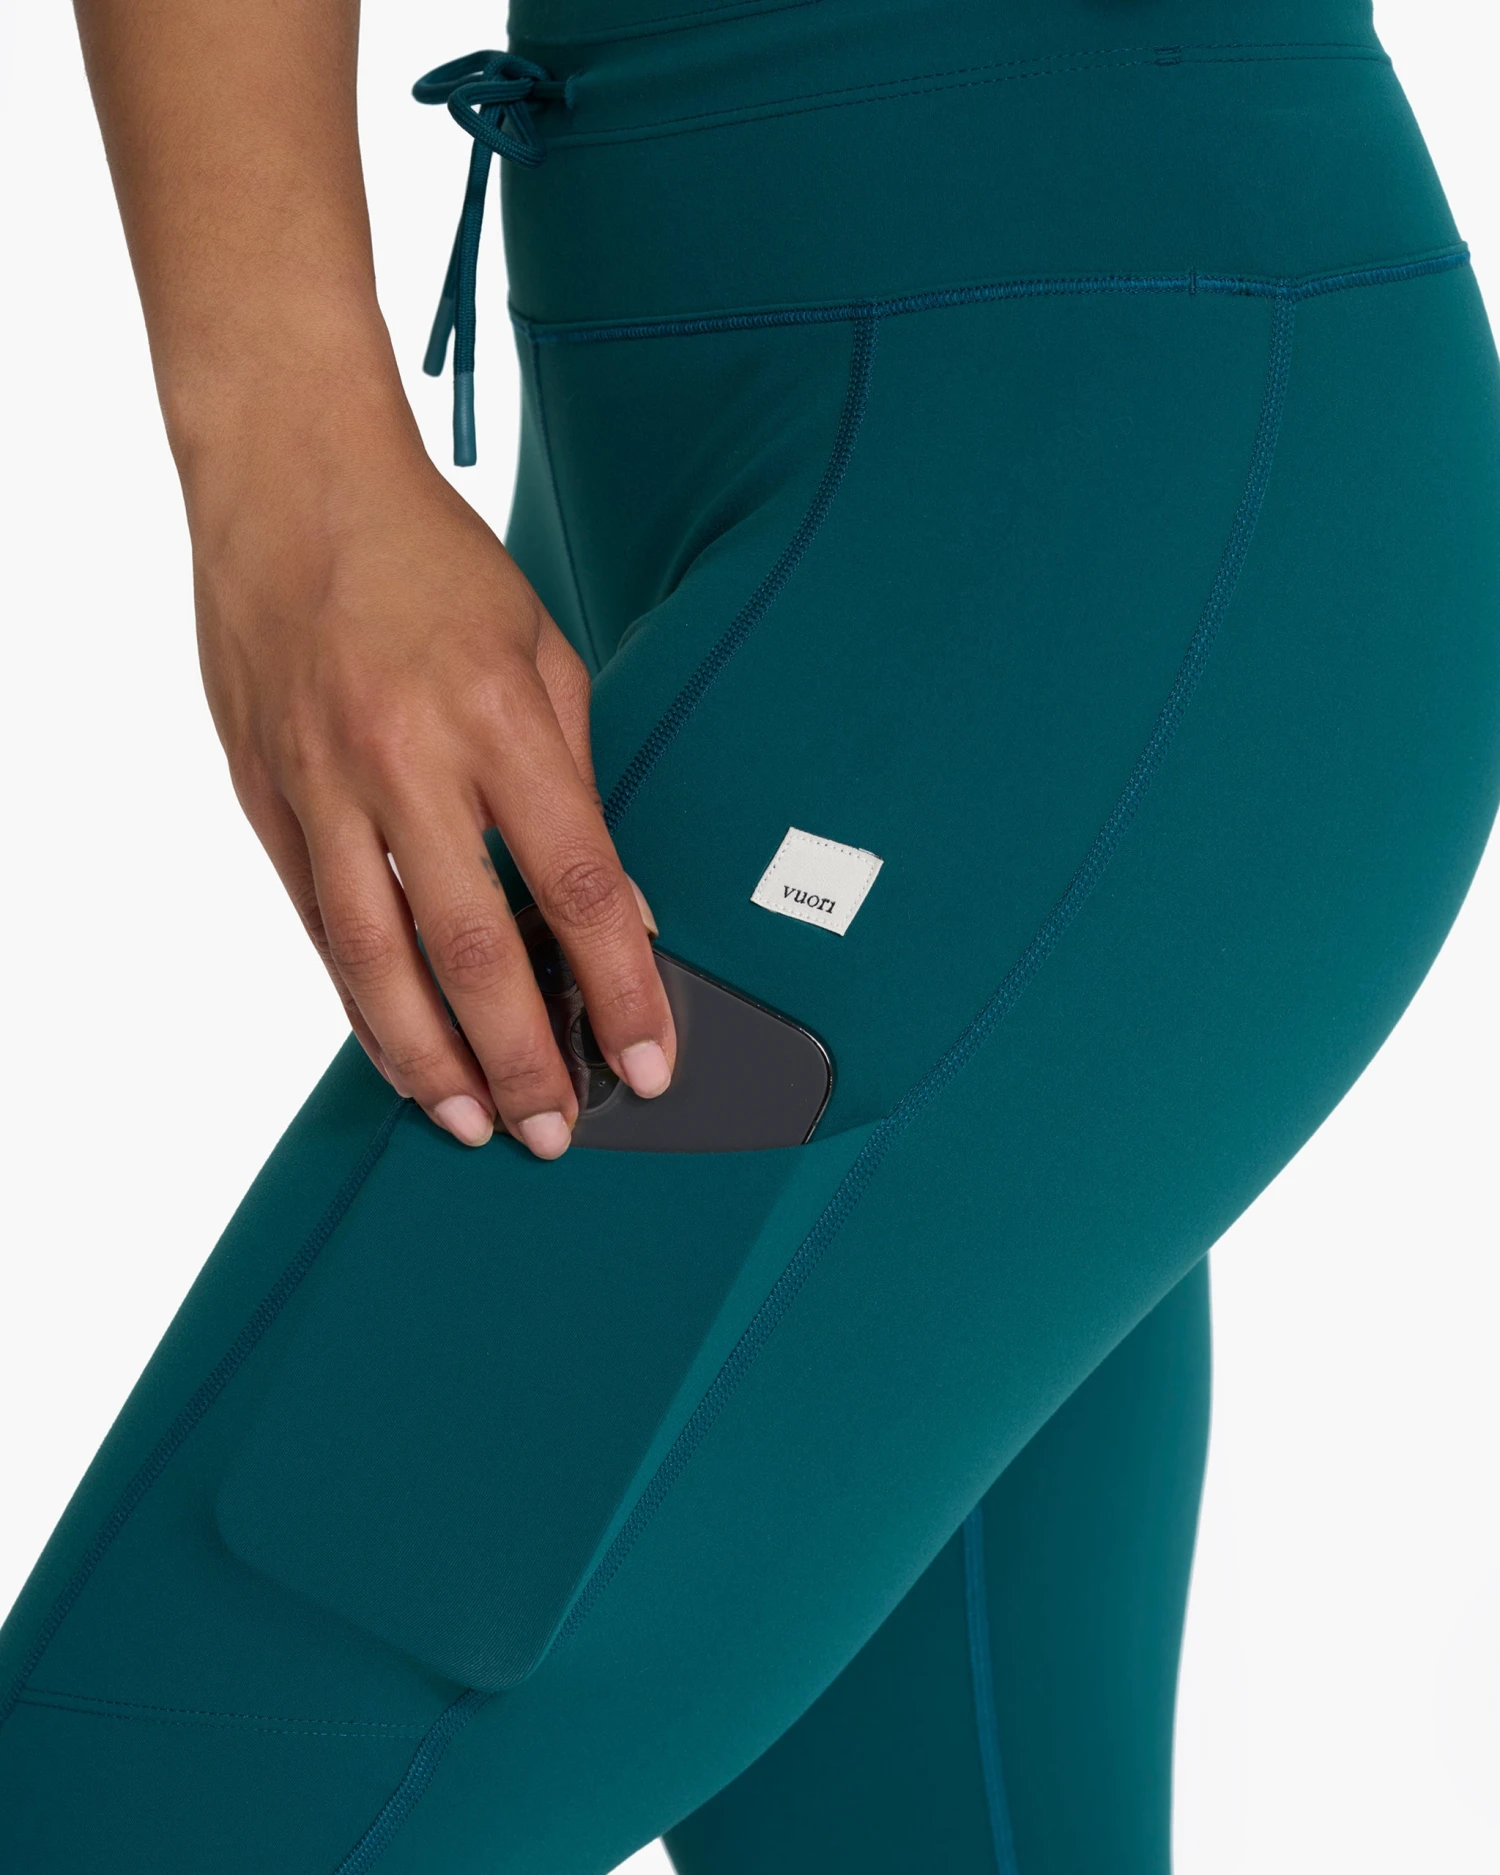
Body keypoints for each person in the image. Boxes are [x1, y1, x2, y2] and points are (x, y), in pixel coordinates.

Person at [2, 1, 1497, 1870]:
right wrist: (285, 459)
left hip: (1091, 482)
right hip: (711, 454)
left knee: (167, 1778)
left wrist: (288, 453)